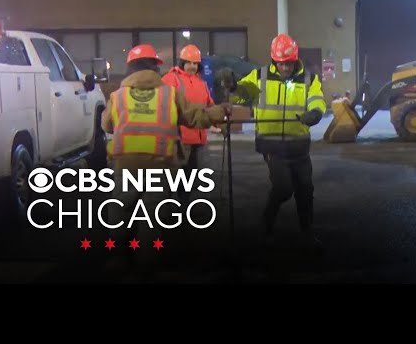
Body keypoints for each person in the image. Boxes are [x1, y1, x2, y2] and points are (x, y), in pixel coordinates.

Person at [101, 44, 229, 276]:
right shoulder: (170, 94)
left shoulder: (117, 96)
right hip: (160, 165)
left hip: (126, 165)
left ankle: (118, 256)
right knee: (151, 216)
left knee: (120, 208)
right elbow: (194, 117)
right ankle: (146, 264)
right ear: (154, 68)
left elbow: (107, 125)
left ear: (130, 68)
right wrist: (221, 112)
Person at [217, 33, 327, 248]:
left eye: (288, 63)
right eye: (281, 63)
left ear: (295, 59)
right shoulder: (260, 77)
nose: (285, 68)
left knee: (305, 190)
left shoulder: (308, 79)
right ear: (274, 60)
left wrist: (315, 112)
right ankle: (266, 223)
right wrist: (231, 85)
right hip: (272, 145)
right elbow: (242, 92)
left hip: (299, 145)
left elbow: (317, 99)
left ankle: (307, 233)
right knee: (284, 188)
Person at [162, 44, 215, 201]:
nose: (192, 66)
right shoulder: (170, 79)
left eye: (195, 63)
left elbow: (209, 106)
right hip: (180, 140)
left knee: (190, 176)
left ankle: (183, 206)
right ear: (182, 63)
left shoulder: (200, 83)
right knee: (174, 177)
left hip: (198, 138)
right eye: (189, 62)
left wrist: (221, 122)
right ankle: (169, 208)